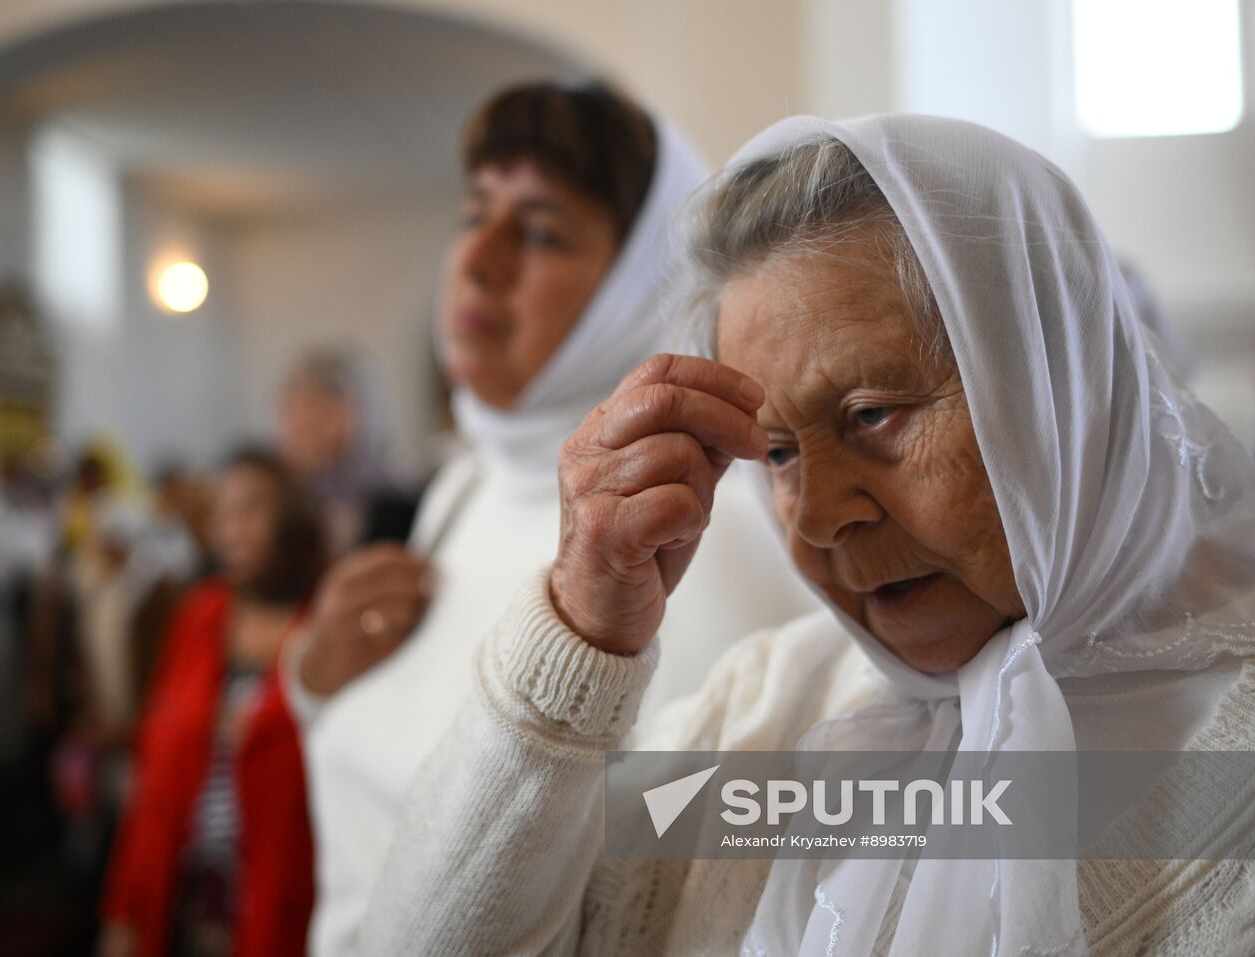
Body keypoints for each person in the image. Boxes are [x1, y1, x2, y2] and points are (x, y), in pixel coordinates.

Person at [353, 115, 1255, 955]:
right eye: (778, 452)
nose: (822, 516)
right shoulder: (766, 716)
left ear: (1062, 388)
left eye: (873, 415)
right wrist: (580, 632)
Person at [285, 81, 820, 955]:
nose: (479, 259)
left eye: (539, 231)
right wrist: (315, 687)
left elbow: (666, 882)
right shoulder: (462, 489)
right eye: (473, 215)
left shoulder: (692, 529)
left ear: (642, 281)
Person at [100, 448, 322, 957]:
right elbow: (152, 777)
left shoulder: (325, 625)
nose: (230, 530)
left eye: (250, 510)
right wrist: (123, 910)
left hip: (283, 907)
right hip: (183, 898)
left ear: (293, 517)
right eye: (220, 513)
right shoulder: (199, 617)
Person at [278, 351, 420, 555]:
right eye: (292, 411)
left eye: (317, 408)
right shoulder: (284, 497)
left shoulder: (391, 496)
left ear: (353, 412)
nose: (303, 424)